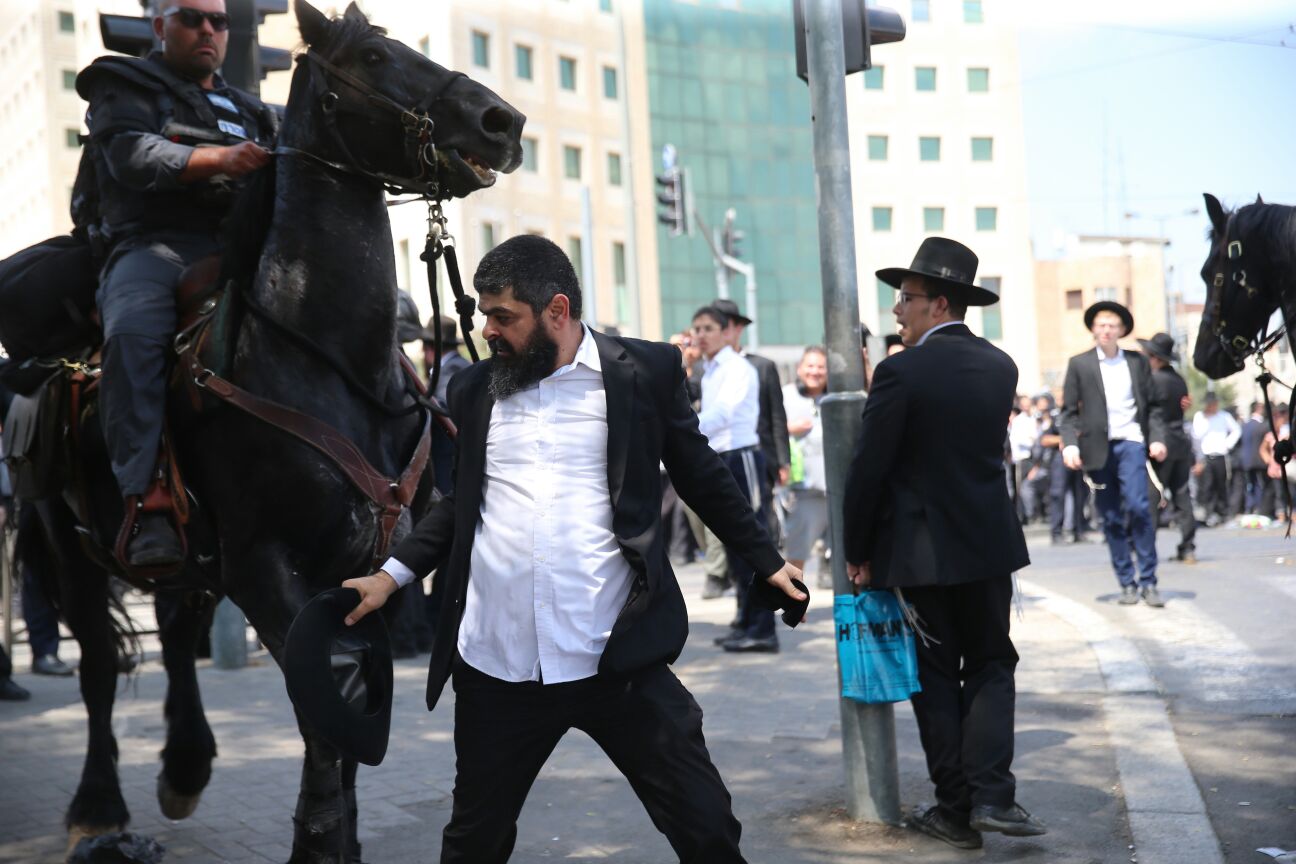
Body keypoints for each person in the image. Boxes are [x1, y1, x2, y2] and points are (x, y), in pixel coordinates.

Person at [340, 235, 805, 864]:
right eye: (484, 314)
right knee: (472, 844)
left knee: (707, 829)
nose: (489, 330)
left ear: (556, 310)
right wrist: (390, 577)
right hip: (499, 665)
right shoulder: (476, 390)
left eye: (504, 316)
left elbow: (700, 474)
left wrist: (768, 560)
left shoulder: (643, 373)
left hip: (615, 656)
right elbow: (460, 503)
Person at [844, 237, 1044, 850]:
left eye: (905, 299)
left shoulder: (900, 371)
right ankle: (994, 795)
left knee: (934, 674)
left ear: (938, 303)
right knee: (990, 663)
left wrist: (856, 549)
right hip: (988, 546)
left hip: (921, 552)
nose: (897, 311)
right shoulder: (1001, 366)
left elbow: (869, 468)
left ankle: (955, 809)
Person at [78, 0, 273, 566]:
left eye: (219, 20)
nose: (209, 29)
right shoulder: (123, 81)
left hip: (245, 248)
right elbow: (133, 156)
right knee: (133, 337)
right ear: (160, 26)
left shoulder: (253, 107)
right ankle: (148, 501)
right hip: (153, 248)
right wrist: (221, 159)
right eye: (192, 18)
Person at [1060, 301, 1167, 607]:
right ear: (1093, 329)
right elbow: (1067, 412)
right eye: (1101, 324)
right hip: (1097, 449)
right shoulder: (1079, 364)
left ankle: (1149, 581)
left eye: (1112, 325)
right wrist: (1069, 444)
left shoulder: (1136, 362)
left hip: (1132, 442)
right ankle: (1127, 583)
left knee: (1139, 508)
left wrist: (1157, 439)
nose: (1106, 330)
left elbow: (1155, 406)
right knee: (1110, 517)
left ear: (1121, 330)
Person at [691, 305, 780, 653]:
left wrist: (683, 430)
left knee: (752, 545)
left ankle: (762, 628)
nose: (700, 334)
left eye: (708, 328)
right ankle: (745, 621)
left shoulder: (737, 368)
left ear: (728, 331)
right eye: (697, 328)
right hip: (722, 459)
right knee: (732, 549)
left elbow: (723, 414)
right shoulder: (708, 369)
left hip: (743, 459)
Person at [711, 298, 790, 520]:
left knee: (758, 519)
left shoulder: (761, 366)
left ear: (738, 328)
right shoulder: (703, 369)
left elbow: (776, 415)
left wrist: (784, 460)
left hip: (758, 457)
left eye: (724, 325)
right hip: (716, 459)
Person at [1137, 333, 1198, 563]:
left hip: (1160, 442)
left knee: (1152, 497)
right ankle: (1188, 545)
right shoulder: (1178, 379)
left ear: (1154, 357)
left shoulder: (1152, 380)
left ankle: (1147, 547)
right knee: (1182, 496)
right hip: (1180, 443)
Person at [782, 346, 831, 589]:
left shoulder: (836, 396)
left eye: (821, 366)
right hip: (803, 491)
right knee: (798, 550)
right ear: (800, 369)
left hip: (834, 490)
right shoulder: (786, 396)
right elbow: (770, 428)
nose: (815, 371)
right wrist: (790, 428)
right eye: (810, 366)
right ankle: (794, 599)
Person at [1192, 393, 1240, 527]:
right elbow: (1196, 435)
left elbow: (1236, 430)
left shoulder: (1224, 416)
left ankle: (1223, 512)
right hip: (1206, 456)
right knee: (1207, 486)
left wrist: (1227, 444)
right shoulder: (1200, 417)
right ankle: (1209, 512)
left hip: (1220, 455)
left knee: (1221, 485)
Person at [1240, 401, 1269, 514]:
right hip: (1259, 460)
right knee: (1259, 484)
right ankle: (1258, 507)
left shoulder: (1244, 425)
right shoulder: (1262, 425)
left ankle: (1249, 507)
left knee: (1249, 485)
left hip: (1247, 460)